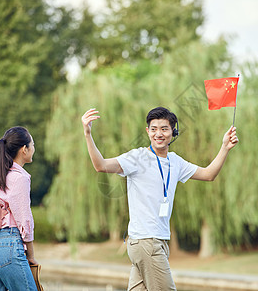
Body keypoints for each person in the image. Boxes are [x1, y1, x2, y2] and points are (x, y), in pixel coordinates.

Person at [82, 107, 239, 290]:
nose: (159, 133)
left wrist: (224, 147)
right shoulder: (138, 157)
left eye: (164, 129)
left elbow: (208, 174)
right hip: (146, 241)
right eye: (154, 129)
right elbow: (100, 165)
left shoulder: (176, 162)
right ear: (147, 131)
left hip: (157, 241)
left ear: (173, 132)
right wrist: (87, 133)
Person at [0, 126, 38, 291]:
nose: (34, 148)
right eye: (32, 145)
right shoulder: (19, 178)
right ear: (24, 149)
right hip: (8, 247)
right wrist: (31, 255)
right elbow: (24, 220)